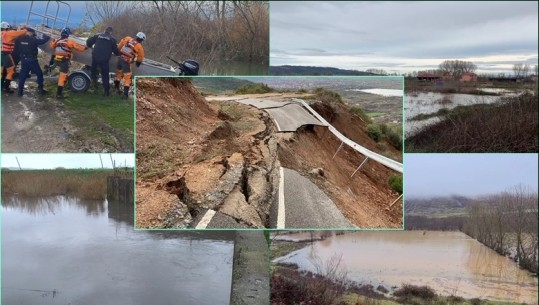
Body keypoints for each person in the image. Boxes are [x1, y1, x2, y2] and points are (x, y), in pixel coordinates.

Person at [49, 27, 87, 99]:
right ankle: (59, 94)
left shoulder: (57, 40)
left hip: (56, 60)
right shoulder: (69, 41)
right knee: (62, 77)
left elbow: (51, 46)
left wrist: (54, 39)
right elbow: (80, 49)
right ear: (68, 34)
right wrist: (86, 47)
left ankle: (50, 68)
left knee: (64, 75)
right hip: (64, 61)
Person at [86, 26, 119, 96]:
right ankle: (106, 92)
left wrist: (90, 46)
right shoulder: (112, 39)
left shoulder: (98, 35)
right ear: (111, 32)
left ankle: (94, 86)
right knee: (105, 76)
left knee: (93, 72)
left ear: (104, 31)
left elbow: (88, 42)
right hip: (104, 60)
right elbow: (116, 52)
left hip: (95, 58)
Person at [17, 28, 50, 96]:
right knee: (39, 74)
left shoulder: (20, 39)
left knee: (23, 75)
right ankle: (40, 90)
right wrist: (48, 37)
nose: (33, 34)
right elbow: (42, 41)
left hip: (23, 59)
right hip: (32, 60)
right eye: (32, 33)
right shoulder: (33, 39)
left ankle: (20, 92)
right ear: (30, 32)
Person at [115, 32, 145, 98]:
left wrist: (118, 51)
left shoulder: (128, 38)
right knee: (127, 77)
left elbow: (120, 46)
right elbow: (140, 57)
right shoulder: (139, 46)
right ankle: (125, 95)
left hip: (120, 59)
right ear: (141, 40)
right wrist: (138, 63)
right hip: (126, 62)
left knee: (119, 73)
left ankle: (116, 89)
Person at [1, 21, 28, 93]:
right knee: (11, 71)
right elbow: (23, 32)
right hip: (5, 54)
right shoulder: (9, 33)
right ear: (7, 28)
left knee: (2, 70)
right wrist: (24, 28)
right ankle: (6, 88)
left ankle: (1, 86)